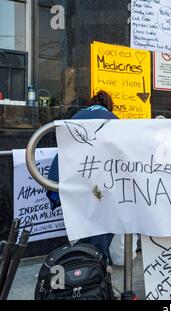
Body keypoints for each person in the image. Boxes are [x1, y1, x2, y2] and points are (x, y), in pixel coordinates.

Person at [47, 90, 118, 264]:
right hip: (96, 179)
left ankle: (81, 259)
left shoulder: (76, 116)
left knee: (80, 221)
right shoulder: (112, 119)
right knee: (103, 222)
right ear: (109, 105)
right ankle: (95, 263)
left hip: (70, 175)